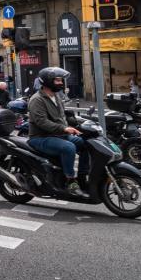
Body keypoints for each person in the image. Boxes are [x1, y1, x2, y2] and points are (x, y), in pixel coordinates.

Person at [27, 67, 89, 199]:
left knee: (86, 143)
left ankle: (82, 177)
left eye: (61, 80)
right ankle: (70, 181)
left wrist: (79, 123)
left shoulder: (56, 96)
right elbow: (42, 122)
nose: (61, 83)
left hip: (58, 135)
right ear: (48, 82)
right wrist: (64, 129)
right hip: (40, 137)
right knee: (69, 147)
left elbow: (62, 117)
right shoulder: (37, 99)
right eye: (57, 80)